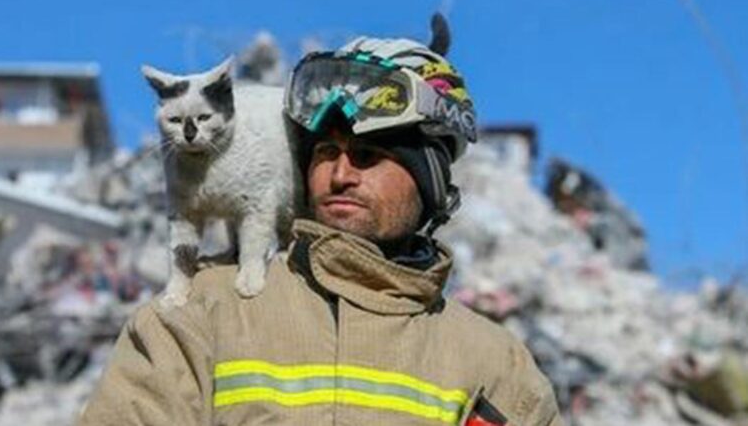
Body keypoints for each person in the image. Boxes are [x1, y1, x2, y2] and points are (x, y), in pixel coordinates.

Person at [79, 36, 562, 426]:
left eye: (368, 157)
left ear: (430, 181)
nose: (340, 175)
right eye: (325, 153)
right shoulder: (199, 318)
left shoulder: (495, 367)